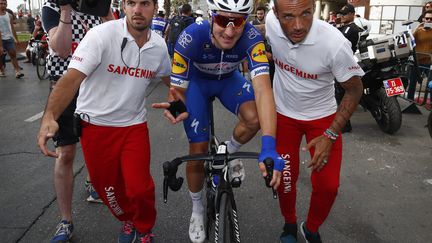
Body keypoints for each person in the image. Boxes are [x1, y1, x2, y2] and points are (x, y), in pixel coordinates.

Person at [38, 0, 171, 242]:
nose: (137, 10)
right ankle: (128, 220)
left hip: (133, 127)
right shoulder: (101, 35)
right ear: (124, 5)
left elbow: (170, 80)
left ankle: (144, 227)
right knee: (108, 191)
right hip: (95, 128)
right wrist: (49, 117)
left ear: (155, 7)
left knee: (140, 189)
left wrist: (181, 104)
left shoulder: (159, 45)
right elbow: (70, 79)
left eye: (144, 3)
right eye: (131, 3)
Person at [152, 0, 284, 242]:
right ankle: (197, 209)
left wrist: (269, 145)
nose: (230, 31)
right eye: (224, 20)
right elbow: (178, 88)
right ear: (212, 16)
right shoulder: (190, 37)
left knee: (253, 118)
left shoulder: (252, 37)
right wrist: (177, 104)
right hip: (198, 85)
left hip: (228, 81)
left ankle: (228, 151)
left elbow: (264, 90)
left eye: (239, 21)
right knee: (198, 148)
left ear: (246, 20)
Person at [265, 0, 364, 242]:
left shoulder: (335, 44)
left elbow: (354, 90)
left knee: (328, 186)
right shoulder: (270, 24)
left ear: (313, 9)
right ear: (275, 14)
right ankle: (289, 225)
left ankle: (310, 229)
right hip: (284, 116)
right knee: (284, 178)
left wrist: (330, 134)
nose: (298, 25)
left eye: (306, 14)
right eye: (288, 17)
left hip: (323, 119)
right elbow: (256, 30)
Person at [40, 0, 113, 241]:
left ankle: (94, 185)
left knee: (97, 145)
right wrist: (65, 10)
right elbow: (60, 49)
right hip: (65, 87)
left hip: (95, 87)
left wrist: (103, 13)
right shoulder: (52, 7)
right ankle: (65, 220)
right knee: (66, 153)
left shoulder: (96, 5)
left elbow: (118, 41)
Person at [336, 3, 362, 133]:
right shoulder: (345, 27)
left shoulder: (351, 28)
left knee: (342, 96)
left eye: (345, 14)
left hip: (345, 64)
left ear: (352, 14)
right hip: (341, 63)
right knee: (339, 95)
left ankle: (345, 125)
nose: (342, 16)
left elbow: (338, 41)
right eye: (341, 14)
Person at [408, 10, 432, 100]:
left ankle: (429, 102)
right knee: (413, 83)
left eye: (431, 19)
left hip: (429, 62)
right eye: (427, 18)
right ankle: (410, 100)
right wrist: (418, 27)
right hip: (417, 61)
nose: (429, 20)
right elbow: (410, 40)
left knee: (430, 84)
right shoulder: (418, 30)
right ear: (423, 19)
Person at [0, 0, 24, 78]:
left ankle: (17, 71)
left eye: (4, 4)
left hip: (9, 38)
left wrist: (16, 39)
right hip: (0, 39)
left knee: (13, 54)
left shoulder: (9, 15)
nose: (3, 5)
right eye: (1, 3)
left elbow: (12, 28)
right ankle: (2, 70)